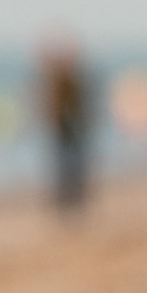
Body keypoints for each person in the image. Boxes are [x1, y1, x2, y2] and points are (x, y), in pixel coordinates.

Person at [39, 38, 94, 212]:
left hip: (70, 127)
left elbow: (76, 104)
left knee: (70, 163)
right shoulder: (60, 79)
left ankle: (72, 196)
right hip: (64, 128)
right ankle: (68, 196)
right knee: (66, 163)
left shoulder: (68, 80)